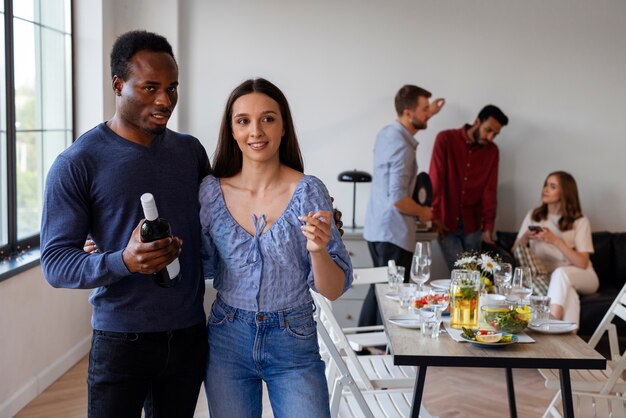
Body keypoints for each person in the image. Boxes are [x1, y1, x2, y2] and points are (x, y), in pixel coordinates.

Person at [40, 31, 209, 418]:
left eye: (171, 88)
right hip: (120, 341)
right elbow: (55, 263)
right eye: (150, 87)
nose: (165, 100)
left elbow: (224, 216)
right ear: (118, 85)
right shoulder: (78, 162)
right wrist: (123, 261)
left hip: (188, 335)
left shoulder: (189, 152)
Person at [199, 78, 352, 418]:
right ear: (233, 130)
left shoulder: (309, 191)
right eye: (244, 121)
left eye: (268, 118)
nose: (256, 131)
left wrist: (318, 250)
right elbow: (196, 264)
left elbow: (334, 289)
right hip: (227, 338)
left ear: (284, 127)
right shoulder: (210, 193)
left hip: (293, 338)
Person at [360, 85, 444, 327]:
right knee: (390, 295)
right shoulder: (402, 146)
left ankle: (366, 345)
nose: (429, 113)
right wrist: (424, 212)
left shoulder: (387, 133)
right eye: (424, 109)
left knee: (380, 290)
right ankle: (374, 347)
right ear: (408, 113)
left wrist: (429, 112)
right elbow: (398, 198)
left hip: (378, 229)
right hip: (394, 232)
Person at [429, 104, 509, 272]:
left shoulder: (492, 151)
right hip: (446, 221)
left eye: (495, 134)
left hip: (473, 224)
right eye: (488, 130)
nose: (490, 137)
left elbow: (490, 190)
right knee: (462, 273)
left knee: (472, 276)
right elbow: (435, 179)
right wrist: (434, 214)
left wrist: (488, 226)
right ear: (477, 121)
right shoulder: (446, 139)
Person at [512, 171, 598, 326]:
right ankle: (572, 341)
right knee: (569, 295)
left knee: (560, 274)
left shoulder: (579, 221)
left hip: (583, 275)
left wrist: (555, 241)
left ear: (565, 192)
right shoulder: (534, 216)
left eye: (552, 186)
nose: (545, 189)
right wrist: (525, 237)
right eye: (546, 184)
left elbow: (583, 263)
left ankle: (550, 322)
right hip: (552, 281)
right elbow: (515, 251)